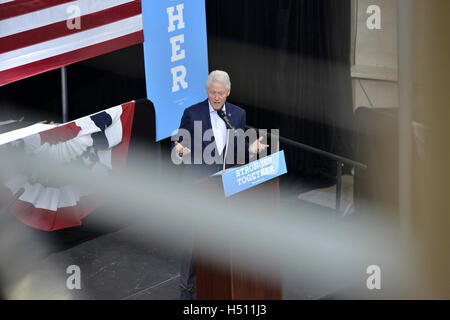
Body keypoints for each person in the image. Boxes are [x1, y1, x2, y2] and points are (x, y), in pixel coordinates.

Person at [172, 70, 268, 299]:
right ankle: (186, 291)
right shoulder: (192, 113)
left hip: (226, 186)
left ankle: (219, 288)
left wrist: (250, 150)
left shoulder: (237, 114)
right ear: (207, 92)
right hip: (198, 185)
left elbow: (235, 150)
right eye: (213, 93)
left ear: (228, 92)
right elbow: (180, 144)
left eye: (221, 93)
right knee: (192, 241)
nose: (216, 97)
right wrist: (180, 149)